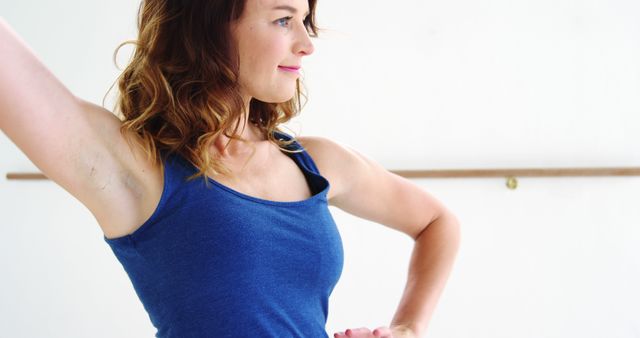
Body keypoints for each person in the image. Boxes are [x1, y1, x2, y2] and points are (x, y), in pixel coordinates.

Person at [0, 0, 461, 337]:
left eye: (305, 21)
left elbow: (438, 222)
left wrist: (408, 328)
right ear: (212, 28)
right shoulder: (135, 170)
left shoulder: (314, 162)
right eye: (284, 20)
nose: (306, 44)